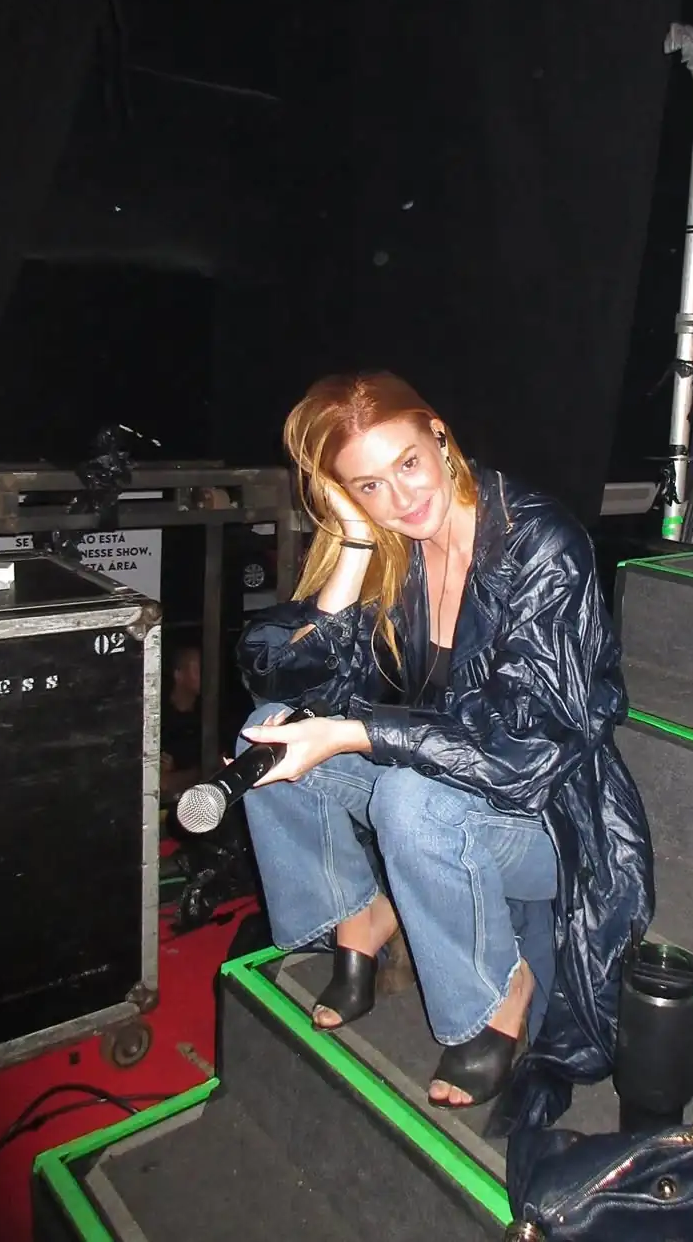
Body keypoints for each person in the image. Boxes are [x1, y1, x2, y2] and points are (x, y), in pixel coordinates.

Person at [235, 371, 654, 1128]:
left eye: (407, 463)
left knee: (408, 797)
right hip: (439, 785)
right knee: (265, 732)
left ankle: (499, 993)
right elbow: (282, 672)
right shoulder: (389, 547)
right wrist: (353, 547)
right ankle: (360, 916)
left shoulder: (542, 543)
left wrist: (357, 733)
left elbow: (527, 749)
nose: (401, 498)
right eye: (368, 485)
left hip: (550, 819)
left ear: (437, 434)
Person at [160, 641, 202, 806]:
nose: (204, 675)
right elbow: (161, 783)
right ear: (178, 674)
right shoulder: (159, 719)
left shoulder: (210, 716)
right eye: (197, 670)